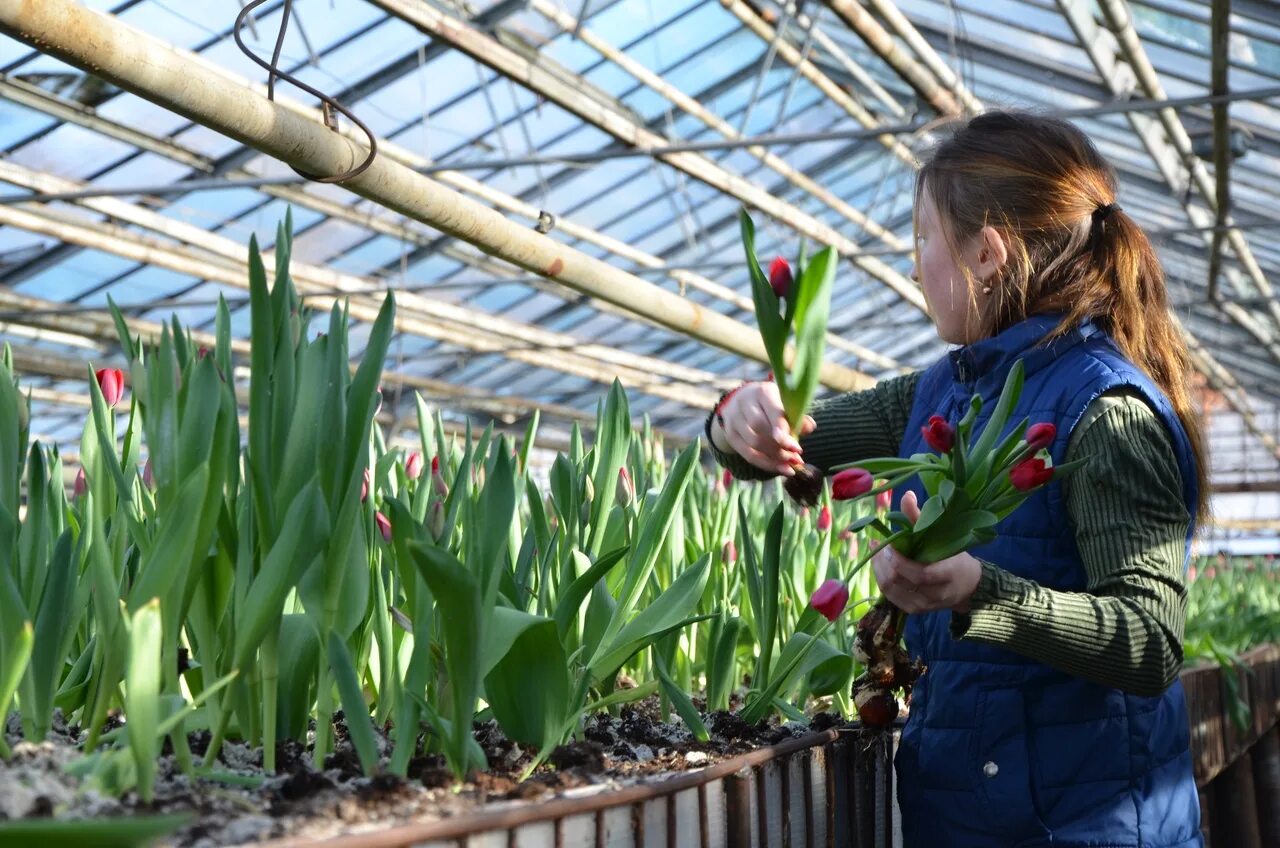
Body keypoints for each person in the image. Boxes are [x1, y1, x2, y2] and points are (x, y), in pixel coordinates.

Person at [707, 111, 1205, 848]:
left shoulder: (1107, 413)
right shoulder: (942, 391)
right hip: (963, 813)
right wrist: (739, 417)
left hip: (1084, 828)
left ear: (986, 253)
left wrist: (981, 592)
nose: (914, 266)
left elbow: (1150, 643)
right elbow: (791, 442)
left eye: (923, 237)